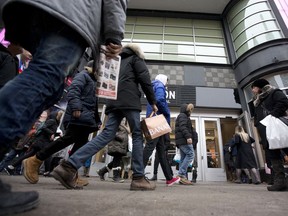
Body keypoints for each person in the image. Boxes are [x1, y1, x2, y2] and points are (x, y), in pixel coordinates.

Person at [0, 0, 126, 213]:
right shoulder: (84, 76)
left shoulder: (90, 79)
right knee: (44, 80)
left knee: (49, 86)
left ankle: (65, 169)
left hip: (43, 9)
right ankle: (42, 161)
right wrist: (114, 34)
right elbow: (75, 92)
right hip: (67, 13)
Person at [50, 43, 158, 191]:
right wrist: (153, 101)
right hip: (130, 101)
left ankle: (68, 166)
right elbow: (145, 81)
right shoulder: (135, 59)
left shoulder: (115, 61)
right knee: (138, 134)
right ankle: (139, 177)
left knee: (106, 134)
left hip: (112, 101)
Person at [22, 61, 102, 186]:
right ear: (94, 68)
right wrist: (76, 107)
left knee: (80, 144)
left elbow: (93, 104)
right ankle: (35, 160)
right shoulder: (84, 75)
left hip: (85, 119)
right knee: (67, 139)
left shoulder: (93, 81)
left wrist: (96, 121)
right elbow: (73, 91)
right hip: (78, 117)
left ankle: (70, 172)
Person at [143, 74, 180, 186]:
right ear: (163, 80)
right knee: (150, 147)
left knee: (161, 151)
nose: (166, 84)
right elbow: (159, 100)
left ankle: (169, 178)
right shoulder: (159, 86)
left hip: (155, 120)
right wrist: (167, 112)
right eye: (167, 81)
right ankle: (138, 172)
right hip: (158, 121)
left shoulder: (153, 86)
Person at [251, 78, 288, 191]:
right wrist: (258, 124)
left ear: (259, 87)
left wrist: (272, 116)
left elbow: (284, 102)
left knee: (286, 148)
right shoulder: (257, 100)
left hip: (278, 128)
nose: (252, 90)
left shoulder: (274, 93)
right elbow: (257, 115)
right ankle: (279, 182)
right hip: (266, 130)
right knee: (273, 155)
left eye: (253, 88)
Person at [5, 110, 63, 175]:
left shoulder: (54, 122)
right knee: (48, 154)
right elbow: (43, 128)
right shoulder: (52, 121)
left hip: (42, 142)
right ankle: (47, 171)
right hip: (41, 142)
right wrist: (52, 133)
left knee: (29, 155)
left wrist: (57, 134)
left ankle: (11, 166)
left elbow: (49, 132)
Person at [175, 103, 195, 185]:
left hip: (181, 141)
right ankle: (181, 174)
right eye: (189, 109)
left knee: (183, 159)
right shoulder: (183, 116)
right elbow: (183, 127)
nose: (190, 111)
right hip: (184, 140)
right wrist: (188, 137)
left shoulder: (182, 116)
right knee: (191, 154)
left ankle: (182, 178)